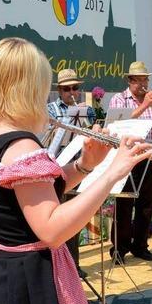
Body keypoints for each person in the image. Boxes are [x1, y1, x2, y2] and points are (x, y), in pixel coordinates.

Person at [0, 37, 152, 304]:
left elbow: (20, 194)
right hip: (26, 280)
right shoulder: (20, 146)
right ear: (29, 85)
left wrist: (85, 165)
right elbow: (52, 229)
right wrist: (113, 172)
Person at [108, 61, 152, 262]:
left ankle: (140, 245)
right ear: (130, 81)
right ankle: (119, 248)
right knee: (124, 203)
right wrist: (144, 106)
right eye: (140, 80)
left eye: (146, 79)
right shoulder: (119, 99)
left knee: (146, 204)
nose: (144, 84)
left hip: (149, 156)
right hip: (127, 156)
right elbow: (117, 125)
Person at [47, 68, 96, 275]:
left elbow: (93, 133)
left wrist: (85, 118)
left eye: (75, 88)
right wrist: (69, 118)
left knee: (76, 218)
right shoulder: (50, 109)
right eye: (68, 89)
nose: (72, 93)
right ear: (60, 90)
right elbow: (49, 137)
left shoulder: (86, 109)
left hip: (79, 166)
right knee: (60, 219)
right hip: (59, 166)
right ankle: (59, 267)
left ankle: (74, 265)